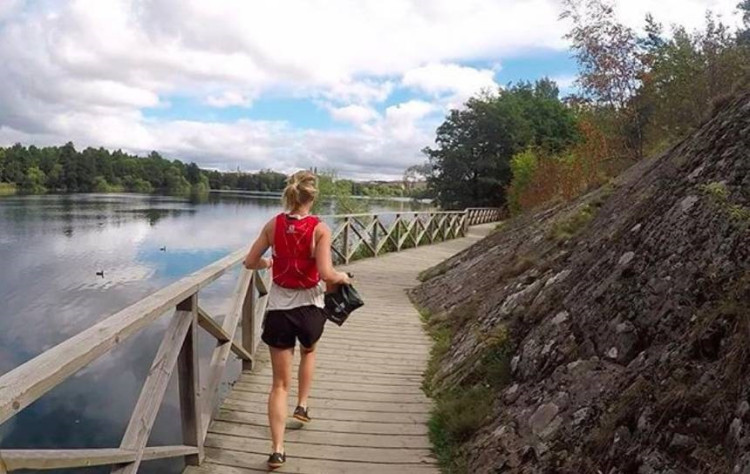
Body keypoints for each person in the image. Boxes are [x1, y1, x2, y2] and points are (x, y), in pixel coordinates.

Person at [242, 170, 350, 469]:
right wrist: (342, 276)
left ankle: (277, 450)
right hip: (310, 308)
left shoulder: (272, 225)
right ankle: (302, 406)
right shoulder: (320, 228)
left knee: (278, 385)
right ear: (313, 197)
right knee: (310, 351)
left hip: (279, 309)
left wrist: (268, 261)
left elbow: (250, 262)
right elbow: (327, 274)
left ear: (290, 195)